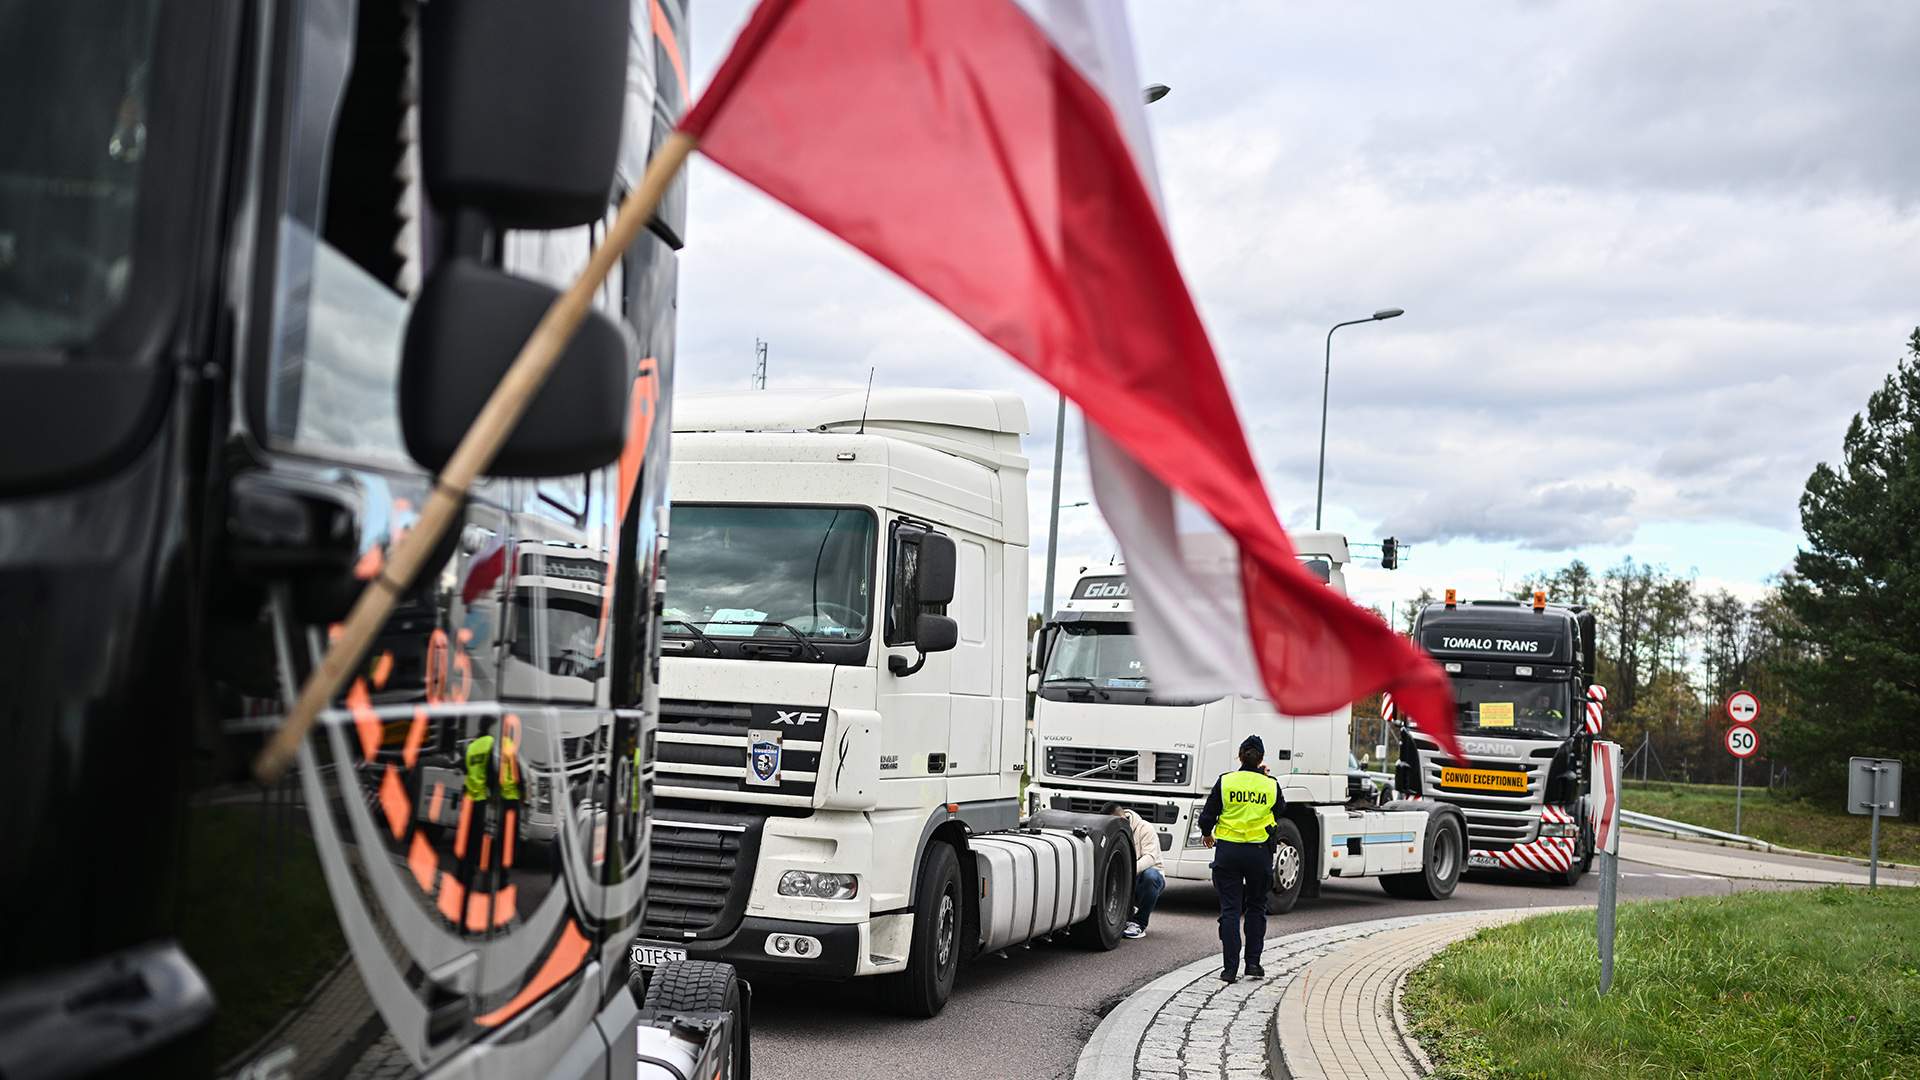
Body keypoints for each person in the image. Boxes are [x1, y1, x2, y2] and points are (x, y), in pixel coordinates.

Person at [1197, 735, 1284, 983]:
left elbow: (1208, 815)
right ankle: (1254, 964)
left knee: (1230, 910)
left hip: (1229, 853)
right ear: (1262, 759)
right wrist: (1265, 779)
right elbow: (1280, 810)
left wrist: (1206, 833)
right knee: (1256, 908)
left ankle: (1229, 969)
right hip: (1259, 854)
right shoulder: (1270, 784)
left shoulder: (1226, 781)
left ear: (1239, 755)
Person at [1104, 803, 1165, 939]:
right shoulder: (1111, 830)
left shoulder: (1145, 828)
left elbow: (1150, 858)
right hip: (1123, 877)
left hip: (1144, 876)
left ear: (1123, 818)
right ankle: (1122, 917)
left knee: (1151, 876)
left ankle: (1139, 923)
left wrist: (1127, 871)